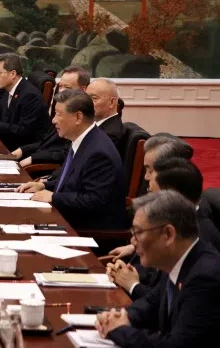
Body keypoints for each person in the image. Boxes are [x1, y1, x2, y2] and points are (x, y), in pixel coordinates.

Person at [97, 191, 220, 347]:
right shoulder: (178, 260)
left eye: (138, 232)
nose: (133, 241)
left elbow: (176, 345)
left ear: (168, 234)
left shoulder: (205, 277)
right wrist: (119, 317)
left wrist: (120, 330)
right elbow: (151, 304)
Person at [17, 89, 127, 230]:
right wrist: (44, 185)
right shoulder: (83, 139)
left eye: (58, 114)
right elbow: (74, 180)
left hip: (86, 230)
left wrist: (53, 197)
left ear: (78, 117)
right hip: (69, 217)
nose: (53, 120)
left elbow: (93, 201)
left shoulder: (99, 152)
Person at [109, 159, 220, 298]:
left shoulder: (195, 239)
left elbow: (168, 304)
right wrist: (129, 273)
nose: (149, 199)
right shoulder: (180, 225)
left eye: (153, 195)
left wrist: (133, 285)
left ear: (172, 197)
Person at [12, 66, 90, 166]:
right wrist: (23, 150)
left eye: (67, 87)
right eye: (60, 86)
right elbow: (47, 143)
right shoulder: (62, 109)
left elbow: (66, 153)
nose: (61, 91)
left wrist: (33, 159)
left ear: (83, 90)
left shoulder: (80, 116)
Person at [0, 53, 50, 149]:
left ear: (12, 74)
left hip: (23, 149)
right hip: (8, 142)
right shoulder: (9, 89)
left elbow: (24, 130)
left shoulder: (29, 95)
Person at [87, 78, 125, 151]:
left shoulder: (109, 135)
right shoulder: (98, 127)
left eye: (93, 98)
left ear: (112, 102)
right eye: (86, 98)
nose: (87, 103)